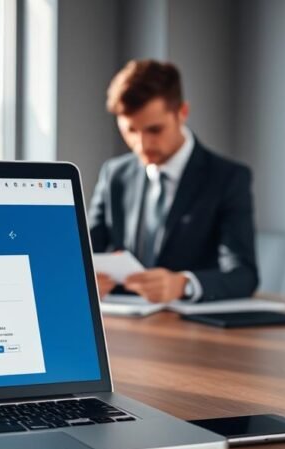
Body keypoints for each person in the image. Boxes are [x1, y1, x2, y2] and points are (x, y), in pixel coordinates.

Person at [88, 59, 259, 303]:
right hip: (123, 318)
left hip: (188, 321)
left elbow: (244, 275)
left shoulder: (228, 178)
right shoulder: (114, 174)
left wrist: (183, 284)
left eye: (154, 130)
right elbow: (84, 252)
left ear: (182, 113)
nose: (142, 145)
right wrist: (83, 279)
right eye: (131, 131)